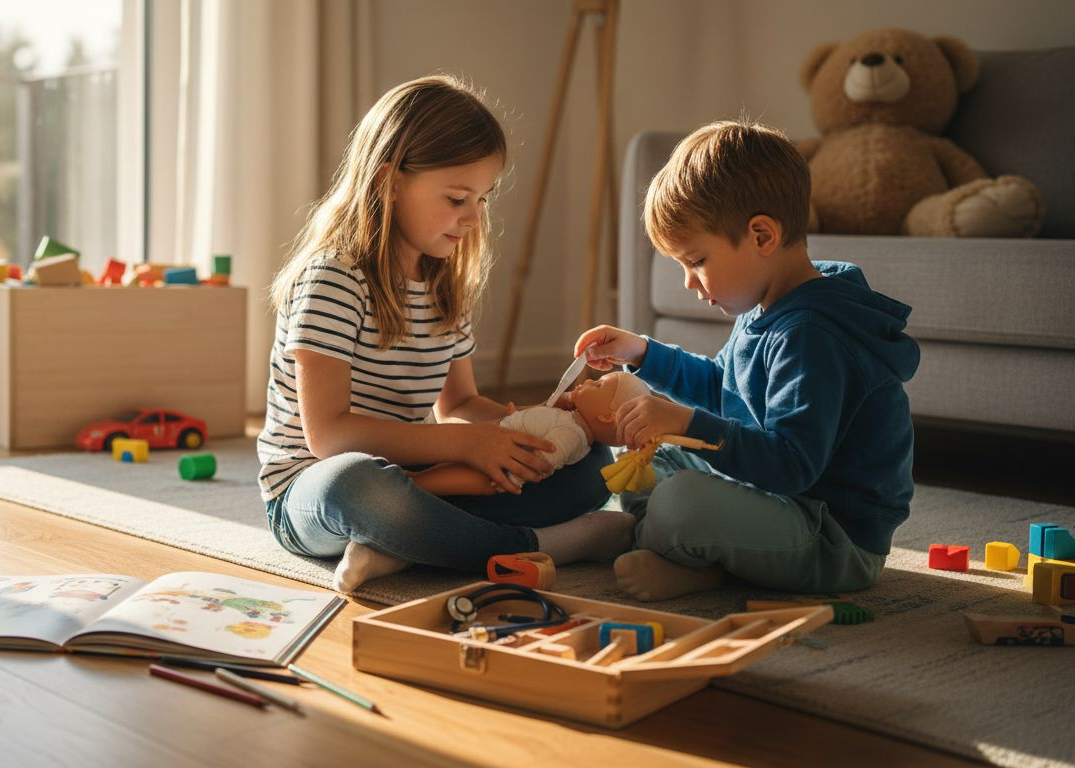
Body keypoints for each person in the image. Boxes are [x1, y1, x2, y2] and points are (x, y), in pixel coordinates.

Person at [257, 75, 632, 593]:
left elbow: (459, 404)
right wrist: (463, 443)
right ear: (389, 182)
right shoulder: (333, 278)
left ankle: (401, 546)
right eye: (457, 198)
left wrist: (531, 426)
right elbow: (329, 437)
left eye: (483, 199)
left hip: (424, 478)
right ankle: (543, 545)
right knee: (360, 487)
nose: (473, 218)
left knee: (589, 464)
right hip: (313, 489)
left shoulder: (443, 284)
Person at [573, 120, 920, 601]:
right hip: (775, 500)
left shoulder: (814, 335)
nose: (689, 283)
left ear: (761, 236)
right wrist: (642, 352)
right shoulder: (769, 307)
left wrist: (686, 422)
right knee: (645, 457)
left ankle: (662, 544)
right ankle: (691, 555)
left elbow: (792, 465)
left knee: (680, 499)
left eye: (697, 261)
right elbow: (723, 387)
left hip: (830, 536)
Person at [409, 371, 649, 496]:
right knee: (452, 461)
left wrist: (513, 477)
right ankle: (416, 477)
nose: (586, 382)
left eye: (597, 385)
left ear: (607, 416)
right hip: (491, 436)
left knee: (464, 475)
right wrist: (523, 414)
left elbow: (545, 458)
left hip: (500, 464)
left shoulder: (573, 436)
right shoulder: (569, 418)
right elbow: (540, 422)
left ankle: (416, 484)